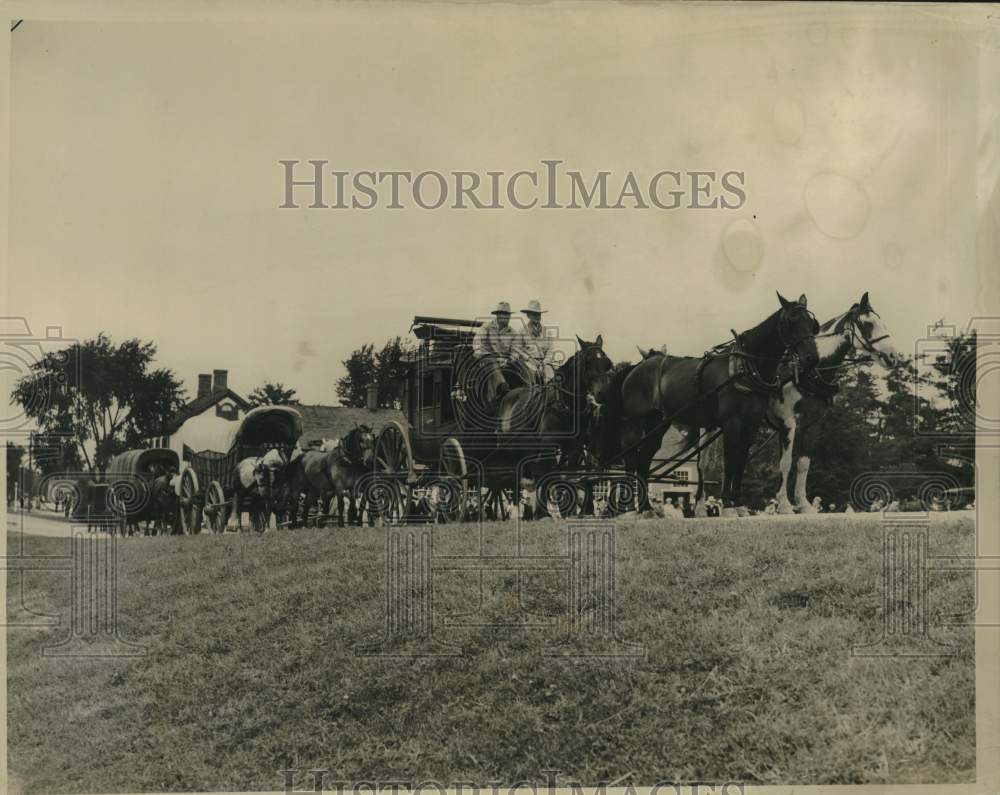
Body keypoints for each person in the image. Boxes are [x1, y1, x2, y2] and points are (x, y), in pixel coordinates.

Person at [472, 301, 519, 408]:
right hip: (487, 361)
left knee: (521, 364)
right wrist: (483, 354)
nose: (505, 317)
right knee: (491, 362)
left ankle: (530, 389)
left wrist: (510, 359)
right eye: (503, 314)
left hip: (505, 362)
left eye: (507, 315)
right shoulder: (487, 327)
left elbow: (516, 351)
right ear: (497, 315)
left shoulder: (513, 333)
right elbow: (477, 342)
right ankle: (501, 392)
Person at [516, 299, 555, 385]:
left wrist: (544, 362)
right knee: (531, 381)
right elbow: (517, 349)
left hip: (544, 363)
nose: (537, 317)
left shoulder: (546, 332)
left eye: (538, 314)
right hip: (529, 364)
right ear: (528, 315)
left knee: (552, 380)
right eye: (534, 314)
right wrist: (529, 359)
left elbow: (550, 349)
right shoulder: (522, 331)